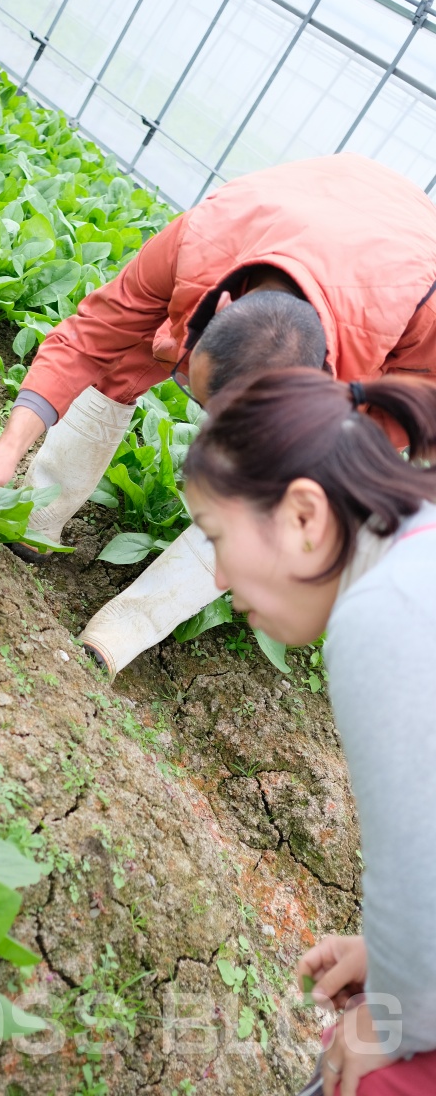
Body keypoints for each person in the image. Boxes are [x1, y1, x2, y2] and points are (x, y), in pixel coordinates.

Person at [0, 153, 436, 677]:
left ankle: (128, 625)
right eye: (200, 396)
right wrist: (9, 446)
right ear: (225, 305)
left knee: (283, 482)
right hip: (314, 202)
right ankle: (36, 515)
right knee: (124, 357)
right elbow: (91, 336)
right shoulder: (202, 240)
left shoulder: (426, 323)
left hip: (404, 285)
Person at [182, 367, 436, 1096]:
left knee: (365, 1072)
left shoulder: (387, 611)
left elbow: (418, 868)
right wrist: (392, 960)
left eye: (216, 537)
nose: (221, 577)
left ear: (302, 516)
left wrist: (393, 1018)